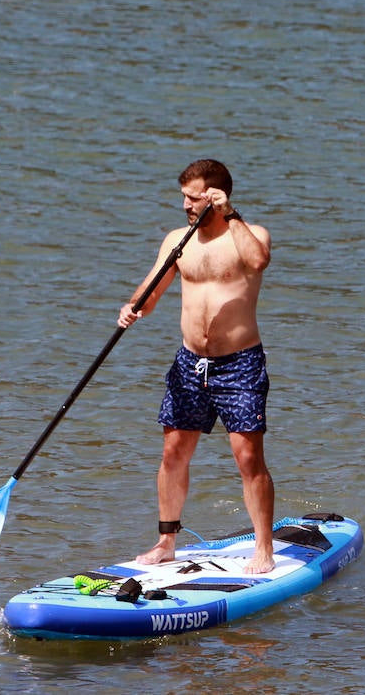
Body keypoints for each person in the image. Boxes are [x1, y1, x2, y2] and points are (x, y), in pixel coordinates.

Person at [117, 159, 276, 574]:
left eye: (194, 197)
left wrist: (231, 214)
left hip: (239, 364)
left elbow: (258, 262)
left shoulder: (250, 235)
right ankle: (166, 541)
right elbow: (151, 293)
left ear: (216, 195)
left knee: (247, 458)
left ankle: (264, 548)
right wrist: (133, 308)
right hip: (190, 363)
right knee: (173, 452)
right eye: (183, 197)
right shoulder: (178, 240)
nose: (186, 205)